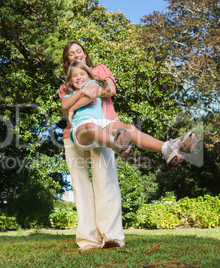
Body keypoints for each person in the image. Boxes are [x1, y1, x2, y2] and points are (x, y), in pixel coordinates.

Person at [61, 61, 198, 166]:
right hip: (81, 129)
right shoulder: (69, 95)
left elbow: (90, 94)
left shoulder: (93, 83)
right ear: (70, 81)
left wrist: (73, 108)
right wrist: (79, 93)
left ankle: (167, 147)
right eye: (74, 76)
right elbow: (64, 106)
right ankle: (116, 145)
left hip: (101, 124)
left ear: (88, 75)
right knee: (89, 127)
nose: (79, 77)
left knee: (127, 128)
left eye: (82, 74)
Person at [58, 41, 125, 251]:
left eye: (79, 51)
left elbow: (110, 90)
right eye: (71, 53)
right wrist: (89, 90)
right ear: (67, 59)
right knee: (80, 186)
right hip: (73, 134)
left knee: (105, 181)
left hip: (101, 130)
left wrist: (87, 91)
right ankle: (88, 239)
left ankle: (112, 236)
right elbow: (64, 108)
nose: (76, 55)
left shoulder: (99, 70)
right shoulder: (65, 84)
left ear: (85, 54)